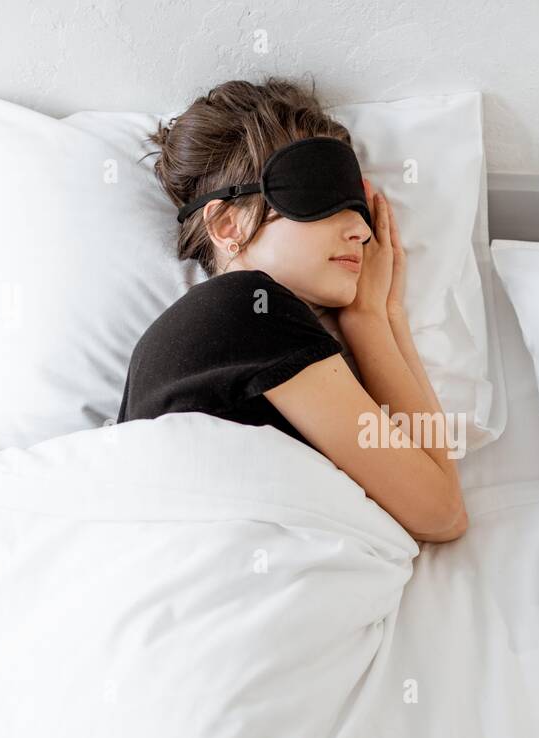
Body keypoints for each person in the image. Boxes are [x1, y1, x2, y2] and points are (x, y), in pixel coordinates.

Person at [118, 77, 467, 543]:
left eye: (360, 208)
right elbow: (439, 513)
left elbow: (437, 496)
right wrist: (369, 321)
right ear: (227, 224)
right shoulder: (246, 309)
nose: (361, 231)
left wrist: (386, 313)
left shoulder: (215, 329)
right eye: (320, 195)